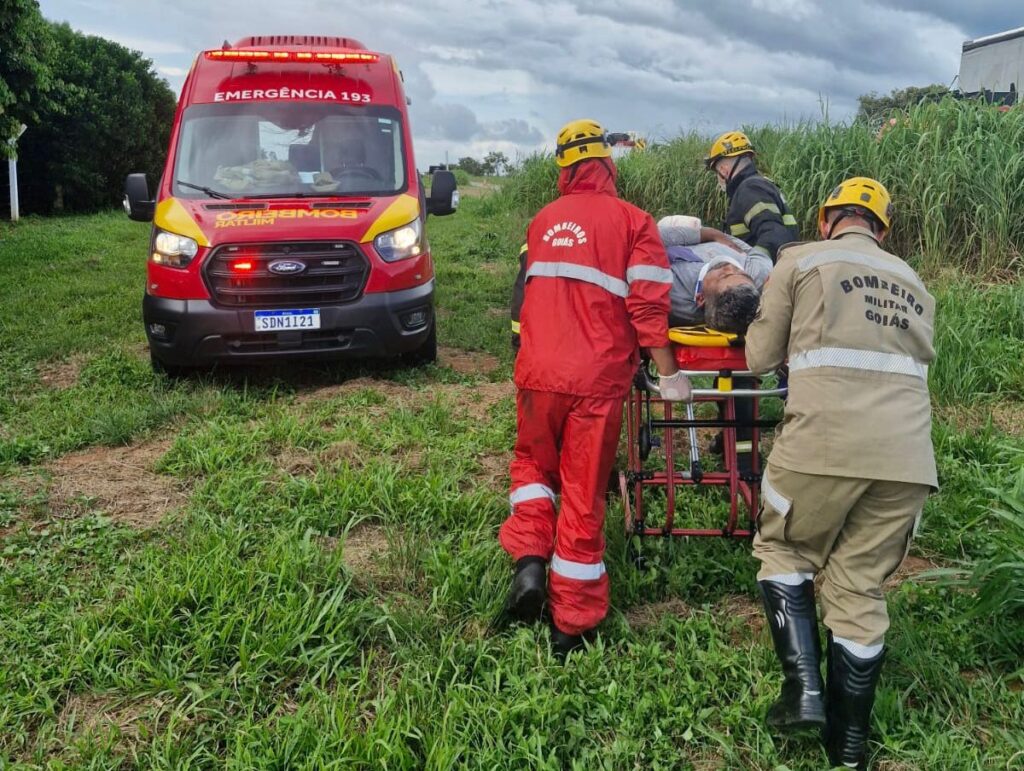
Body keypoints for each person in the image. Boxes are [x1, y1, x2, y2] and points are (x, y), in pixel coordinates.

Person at [743, 177, 937, 770]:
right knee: (858, 587)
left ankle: (803, 692)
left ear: (828, 220)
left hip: (822, 445)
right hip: (907, 459)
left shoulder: (801, 259)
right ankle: (849, 748)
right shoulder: (914, 282)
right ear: (882, 229)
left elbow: (758, 358)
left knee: (783, 548)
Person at [499, 119, 689, 657]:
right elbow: (649, 308)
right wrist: (669, 375)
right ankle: (571, 623)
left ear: (563, 169)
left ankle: (531, 563)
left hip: (537, 371)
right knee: (584, 489)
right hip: (597, 379)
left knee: (533, 468)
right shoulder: (635, 222)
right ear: (608, 164)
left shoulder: (541, 222)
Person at [658, 215, 771, 331]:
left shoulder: (674, 296)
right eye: (741, 272)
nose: (730, 267)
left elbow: (650, 236)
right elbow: (740, 247)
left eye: (724, 275)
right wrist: (714, 235)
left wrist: (711, 234)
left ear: (700, 298)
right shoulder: (759, 273)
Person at [705, 131, 800, 262]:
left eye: (716, 172)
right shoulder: (760, 185)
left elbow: (774, 234)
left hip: (767, 275)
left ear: (723, 170)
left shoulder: (750, 189)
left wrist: (755, 266)